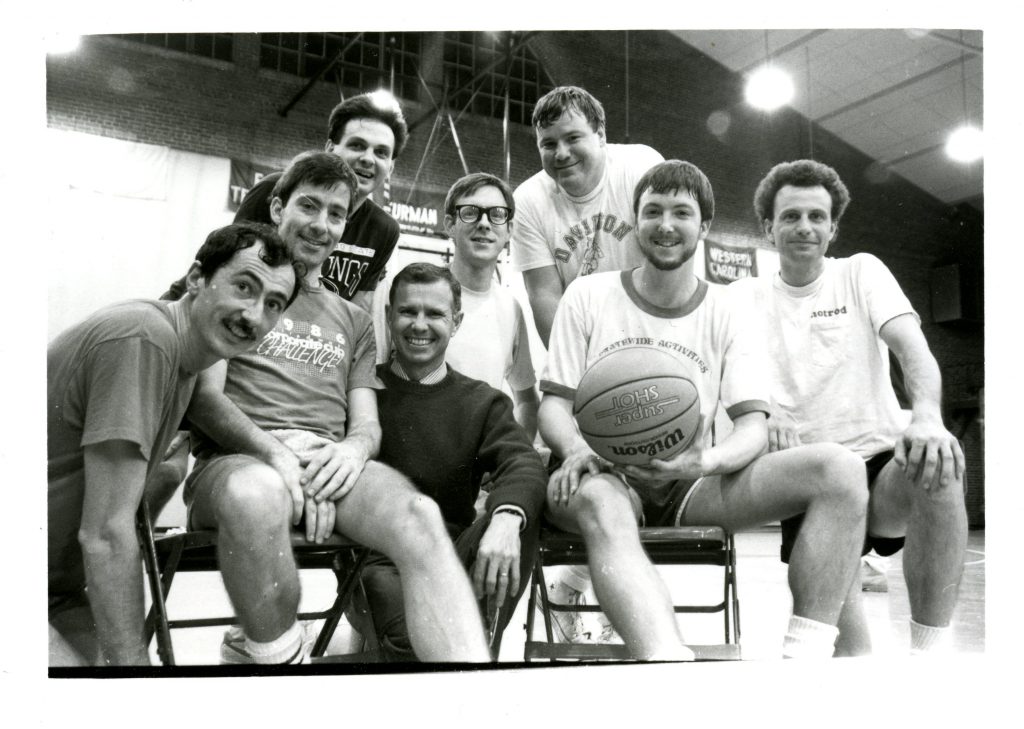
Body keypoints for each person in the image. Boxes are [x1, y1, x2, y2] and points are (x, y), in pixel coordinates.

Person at [539, 160, 869, 660]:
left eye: (681, 212)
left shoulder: (728, 307)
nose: (665, 224)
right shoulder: (588, 295)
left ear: (705, 226)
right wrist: (576, 446)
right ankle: (667, 662)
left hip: (693, 483)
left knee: (840, 470)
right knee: (605, 501)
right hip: (600, 475)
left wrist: (706, 462)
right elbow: (554, 407)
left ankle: (803, 659)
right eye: (652, 211)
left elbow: (752, 427)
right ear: (635, 221)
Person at [184, 152, 491, 664]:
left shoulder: (354, 320)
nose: (321, 224)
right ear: (277, 207)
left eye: (336, 214)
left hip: (327, 466)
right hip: (238, 462)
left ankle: (469, 692)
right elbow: (206, 400)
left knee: (420, 515)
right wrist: (279, 457)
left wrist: (348, 454)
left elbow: (366, 425)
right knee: (259, 495)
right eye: (309, 205)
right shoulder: (242, 289)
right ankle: (281, 661)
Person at [733, 159, 968, 655]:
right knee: (851, 659)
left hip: (880, 470)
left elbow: (913, 350)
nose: (805, 227)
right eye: (791, 216)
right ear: (767, 227)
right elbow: (722, 380)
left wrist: (926, 415)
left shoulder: (861, 272)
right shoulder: (741, 297)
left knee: (941, 464)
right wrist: (764, 411)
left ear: (833, 227)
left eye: (817, 217)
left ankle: (931, 657)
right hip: (809, 481)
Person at [48, 222, 302, 666]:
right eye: (244, 287)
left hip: (55, 590)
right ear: (196, 277)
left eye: (273, 304)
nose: (254, 315)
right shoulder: (144, 337)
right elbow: (106, 534)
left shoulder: (184, 366)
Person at [360, 263, 547, 660]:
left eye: (435, 314)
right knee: (422, 640)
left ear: (456, 321)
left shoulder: (482, 401)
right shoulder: (362, 392)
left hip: (455, 558)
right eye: (408, 311)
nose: (420, 325)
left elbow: (523, 463)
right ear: (389, 315)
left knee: (521, 516)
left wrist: (507, 518)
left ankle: (472, 653)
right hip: (379, 563)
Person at [167, 91, 407, 312]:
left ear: (392, 167)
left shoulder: (384, 230)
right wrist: (168, 312)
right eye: (357, 145)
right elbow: (222, 265)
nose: (368, 159)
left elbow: (357, 312)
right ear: (330, 148)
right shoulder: (275, 190)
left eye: (381, 153)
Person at [512, 85, 663, 346]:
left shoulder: (641, 168)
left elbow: (667, 262)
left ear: (601, 135)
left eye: (572, 138)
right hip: (583, 336)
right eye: (548, 143)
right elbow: (544, 295)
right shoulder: (527, 200)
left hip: (650, 326)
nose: (561, 153)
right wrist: (570, 366)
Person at [443, 172, 539, 439]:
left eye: (497, 214)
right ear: (449, 224)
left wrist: (514, 459)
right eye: (471, 212)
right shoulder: (412, 292)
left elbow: (527, 402)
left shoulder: (510, 309)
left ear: (509, 230)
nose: (484, 223)